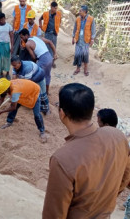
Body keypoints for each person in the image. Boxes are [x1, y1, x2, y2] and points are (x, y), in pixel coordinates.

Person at [43, 83, 130, 218]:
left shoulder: (62, 159)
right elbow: (125, 176)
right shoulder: (118, 136)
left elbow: (54, 214)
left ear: (62, 113)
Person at [0, 78, 47, 143]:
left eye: (2, 92)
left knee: (37, 115)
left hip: (34, 92)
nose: (1, 93)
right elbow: (1, 99)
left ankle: (42, 131)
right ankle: (9, 122)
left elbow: (13, 107)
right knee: (14, 105)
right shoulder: (7, 85)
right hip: (23, 92)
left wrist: (1, 112)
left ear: (6, 90)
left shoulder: (15, 92)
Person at [19, 28, 57, 95]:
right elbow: (50, 42)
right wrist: (55, 53)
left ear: (26, 36)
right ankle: (46, 92)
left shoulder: (28, 44)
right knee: (47, 76)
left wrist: (34, 63)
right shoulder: (37, 37)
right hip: (49, 57)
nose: (21, 40)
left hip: (43, 59)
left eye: (22, 37)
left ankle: (36, 93)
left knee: (35, 76)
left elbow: (33, 57)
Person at [72, 5, 96, 76]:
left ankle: (85, 69)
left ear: (85, 12)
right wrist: (73, 37)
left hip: (86, 40)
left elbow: (93, 30)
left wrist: (92, 39)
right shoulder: (78, 19)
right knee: (77, 54)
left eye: (80, 11)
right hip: (78, 39)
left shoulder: (91, 19)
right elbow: (75, 29)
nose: (79, 12)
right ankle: (78, 68)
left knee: (85, 55)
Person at [39, 2, 61, 67]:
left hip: (54, 33)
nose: (56, 9)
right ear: (51, 7)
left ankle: (52, 62)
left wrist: (57, 27)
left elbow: (60, 21)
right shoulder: (45, 14)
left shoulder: (58, 14)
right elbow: (40, 19)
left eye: (56, 8)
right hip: (47, 33)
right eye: (55, 8)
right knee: (46, 48)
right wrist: (41, 26)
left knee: (54, 47)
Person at [0, 13, 14, 80]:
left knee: (7, 58)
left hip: (6, 45)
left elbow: (11, 37)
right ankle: (1, 73)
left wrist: (12, 46)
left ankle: (7, 73)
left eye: (2, 19)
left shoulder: (9, 26)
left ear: (5, 18)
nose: (1, 21)